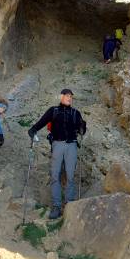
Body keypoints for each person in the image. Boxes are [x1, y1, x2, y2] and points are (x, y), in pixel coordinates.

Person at [28, 89, 86, 220]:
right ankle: (56, 206)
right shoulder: (53, 110)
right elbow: (42, 122)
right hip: (57, 144)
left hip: (72, 145)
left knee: (70, 175)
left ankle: (69, 204)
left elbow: (82, 129)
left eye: (71, 96)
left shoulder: (76, 113)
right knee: (55, 175)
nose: (69, 98)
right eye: (67, 96)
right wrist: (33, 129)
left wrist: (83, 127)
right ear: (61, 97)